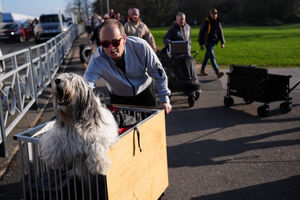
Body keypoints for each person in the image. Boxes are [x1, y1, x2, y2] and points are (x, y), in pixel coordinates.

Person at [84, 19, 172, 114]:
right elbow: (86, 84)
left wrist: (164, 100)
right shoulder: (97, 59)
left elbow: (158, 73)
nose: (111, 48)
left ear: (124, 39)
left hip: (145, 94)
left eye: (115, 42)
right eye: (105, 44)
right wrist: (83, 105)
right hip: (119, 99)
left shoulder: (141, 46)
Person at [198, 8, 225, 78]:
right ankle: (217, 72)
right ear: (210, 14)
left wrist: (222, 42)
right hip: (207, 42)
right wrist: (201, 44)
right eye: (213, 14)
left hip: (213, 42)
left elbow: (220, 32)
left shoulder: (217, 21)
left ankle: (202, 70)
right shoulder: (206, 21)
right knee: (212, 57)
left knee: (207, 57)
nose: (214, 15)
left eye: (215, 14)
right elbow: (201, 33)